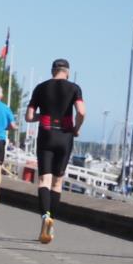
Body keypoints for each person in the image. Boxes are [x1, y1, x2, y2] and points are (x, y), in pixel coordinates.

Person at [25, 58, 85, 243]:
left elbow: (29, 116)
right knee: (57, 183)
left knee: (44, 180)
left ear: (53, 71)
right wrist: (76, 128)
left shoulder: (40, 88)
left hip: (46, 134)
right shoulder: (74, 88)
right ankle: (51, 224)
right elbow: (81, 112)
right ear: (67, 72)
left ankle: (45, 216)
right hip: (65, 136)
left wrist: (42, 116)